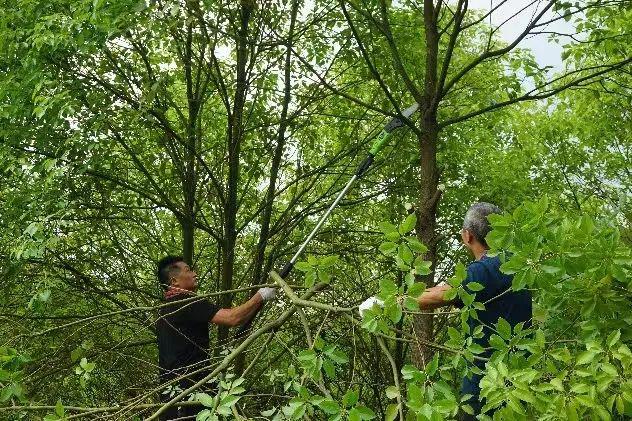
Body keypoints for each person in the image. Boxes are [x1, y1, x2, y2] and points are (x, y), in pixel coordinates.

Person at [360, 203, 532, 419]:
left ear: (467, 236)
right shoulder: (515, 263)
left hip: (488, 384)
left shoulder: (486, 268)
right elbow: (444, 289)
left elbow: (443, 294)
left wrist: (385, 303)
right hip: (520, 377)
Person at [156, 255, 276, 420]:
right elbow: (232, 318)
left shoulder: (164, 310)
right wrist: (260, 296)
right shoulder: (187, 302)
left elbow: (238, 319)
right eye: (188, 270)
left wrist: (256, 303)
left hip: (171, 394)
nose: (195, 274)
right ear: (174, 281)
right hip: (190, 392)